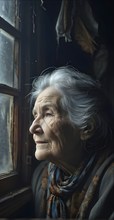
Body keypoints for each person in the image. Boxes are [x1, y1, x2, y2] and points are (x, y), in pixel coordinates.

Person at [29, 66, 114, 219]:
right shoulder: (41, 175)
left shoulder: (110, 180)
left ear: (87, 127)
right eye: (35, 115)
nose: (33, 128)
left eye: (48, 113)